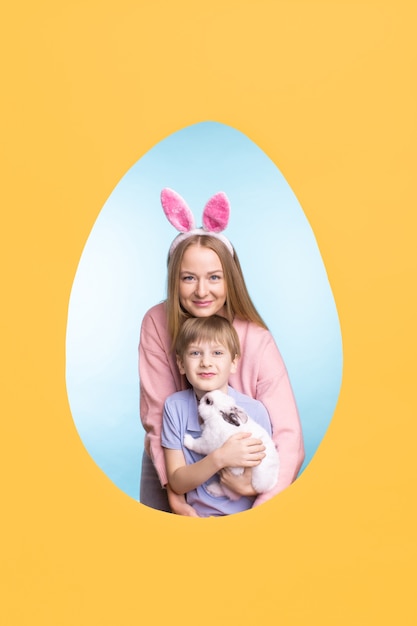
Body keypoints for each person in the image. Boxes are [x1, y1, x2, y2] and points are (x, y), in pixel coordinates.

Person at [139, 188, 304, 516]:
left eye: (214, 277)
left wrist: (259, 494)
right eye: (188, 278)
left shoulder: (256, 338)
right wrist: (174, 493)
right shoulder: (157, 322)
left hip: (239, 482)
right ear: (175, 280)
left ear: (230, 280)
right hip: (172, 466)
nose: (202, 291)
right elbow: (158, 414)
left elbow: (288, 434)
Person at [162, 315, 272, 517]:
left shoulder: (254, 411)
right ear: (181, 364)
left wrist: (245, 486)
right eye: (195, 353)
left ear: (233, 363)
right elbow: (177, 483)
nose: (206, 362)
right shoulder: (174, 407)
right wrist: (219, 458)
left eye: (217, 353)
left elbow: (267, 473)